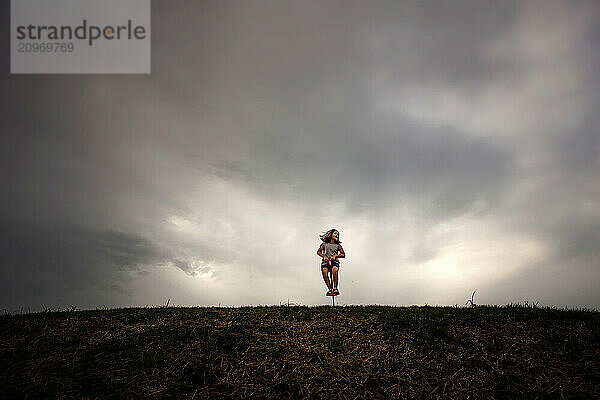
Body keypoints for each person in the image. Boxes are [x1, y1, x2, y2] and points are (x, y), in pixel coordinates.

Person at [316, 228, 345, 296]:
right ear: (330, 234)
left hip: (334, 261)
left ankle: (335, 288)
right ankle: (329, 289)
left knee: (335, 270)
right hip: (325, 261)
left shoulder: (338, 245)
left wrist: (335, 256)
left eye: (338, 234)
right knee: (324, 272)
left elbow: (343, 254)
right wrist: (324, 256)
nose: (336, 235)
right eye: (335, 233)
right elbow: (318, 252)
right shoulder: (324, 244)